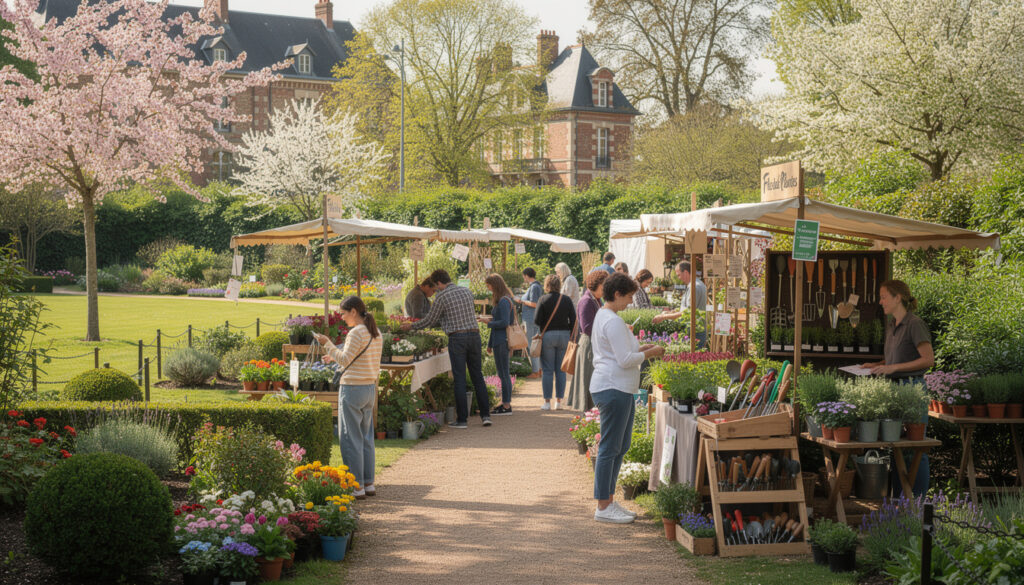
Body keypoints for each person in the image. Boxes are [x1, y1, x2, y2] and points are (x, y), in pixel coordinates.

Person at [589, 273, 665, 523]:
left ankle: (608, 500)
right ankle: (603, 505)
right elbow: (623, 360)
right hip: (614, 387)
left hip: (616, 386)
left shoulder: (607, 316)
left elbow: (620, 353)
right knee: (611, 448)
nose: (631, 302)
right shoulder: (611, 321)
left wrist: (640, 349)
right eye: (630, 297)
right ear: (618, 294)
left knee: (620, 447)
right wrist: (650, 352)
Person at [861, 279, 935, 497]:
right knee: (896, 448)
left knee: (913, 449)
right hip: (894, 389)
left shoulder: (914, 324)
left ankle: (917, 504)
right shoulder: (892, 325)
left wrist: (892, 368)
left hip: (912, 390)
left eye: (884, 296)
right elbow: (895, 359)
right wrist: (876, 365)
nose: (880, 301)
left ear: (897, 297)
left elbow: (928, 360)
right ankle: (899, 503)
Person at [313, 296, 383, 500]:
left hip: (352, 389)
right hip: (369, 388)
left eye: (343, 313)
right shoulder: (376, 332)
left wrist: (328, 345)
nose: (342, 318)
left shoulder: (355, 333)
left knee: (350, 438)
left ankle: (355, 485)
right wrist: (334, 354)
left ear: (353, 311)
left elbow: (345, 359)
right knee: (366, 437)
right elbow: (355, 357)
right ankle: (368, 483)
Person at [402, 269, 491, 428]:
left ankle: (462, 420)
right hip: (474, 336)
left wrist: (411, 326)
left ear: (438, 283)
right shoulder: (466, 291)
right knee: (477, 375)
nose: (435, 290)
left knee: (459, 378)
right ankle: (485, 416)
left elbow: (429, 320)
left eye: (436, 287)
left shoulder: (442, 297)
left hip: (457, 338)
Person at [567, 270, 608, 412]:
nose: (605, 290)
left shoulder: (596, 300)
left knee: (592, 379)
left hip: (594, 343)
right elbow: (587, 327)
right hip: (588, 344)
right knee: (588, 378)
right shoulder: (586, 301)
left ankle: (592, 412)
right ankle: (588, 413)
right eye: (604, 287)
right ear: (596, 285)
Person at [534, 274, 576, 410]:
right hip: (564, 335)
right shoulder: (566, 300)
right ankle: (559, 402)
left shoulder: (543, 299)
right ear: (559, 285)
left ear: (546, 285)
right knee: (561, 370)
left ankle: (547, 402)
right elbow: (574, 319)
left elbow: (537, 320)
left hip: (548, 335)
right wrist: (568, 332)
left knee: (547, 370)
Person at [479, 273, 515, 415]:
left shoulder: (504, 301)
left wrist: (489, 322)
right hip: (498, 340)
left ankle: (506, 405)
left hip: (502, 340)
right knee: (502, 373)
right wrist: (489, 343)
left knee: (504, 373)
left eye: (488, 285)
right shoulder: (503, 300)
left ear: (494, 285)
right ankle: (505, 403)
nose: (488, 288)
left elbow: (505, 322)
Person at [651, 261, 708, 349]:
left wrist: (662, 317)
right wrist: (672, 312)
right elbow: (689, 308)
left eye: (678, 275)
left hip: (696, 331)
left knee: (694, 358)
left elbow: (687, 313)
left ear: (685, 272)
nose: (678, 278)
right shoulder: (696, 284)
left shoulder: (694, 287)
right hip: (696, 329)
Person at [516, 267, 543, 378]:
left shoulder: (534, 287)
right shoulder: (535, 286)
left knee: (532, 345)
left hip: (531, 320)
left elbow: (534, 303)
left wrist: (521, 300)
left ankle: (536, 371)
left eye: (524, 276)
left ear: (526, 275)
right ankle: (539, 369)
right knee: (534, 344)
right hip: (532, 319)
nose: (523, 278)